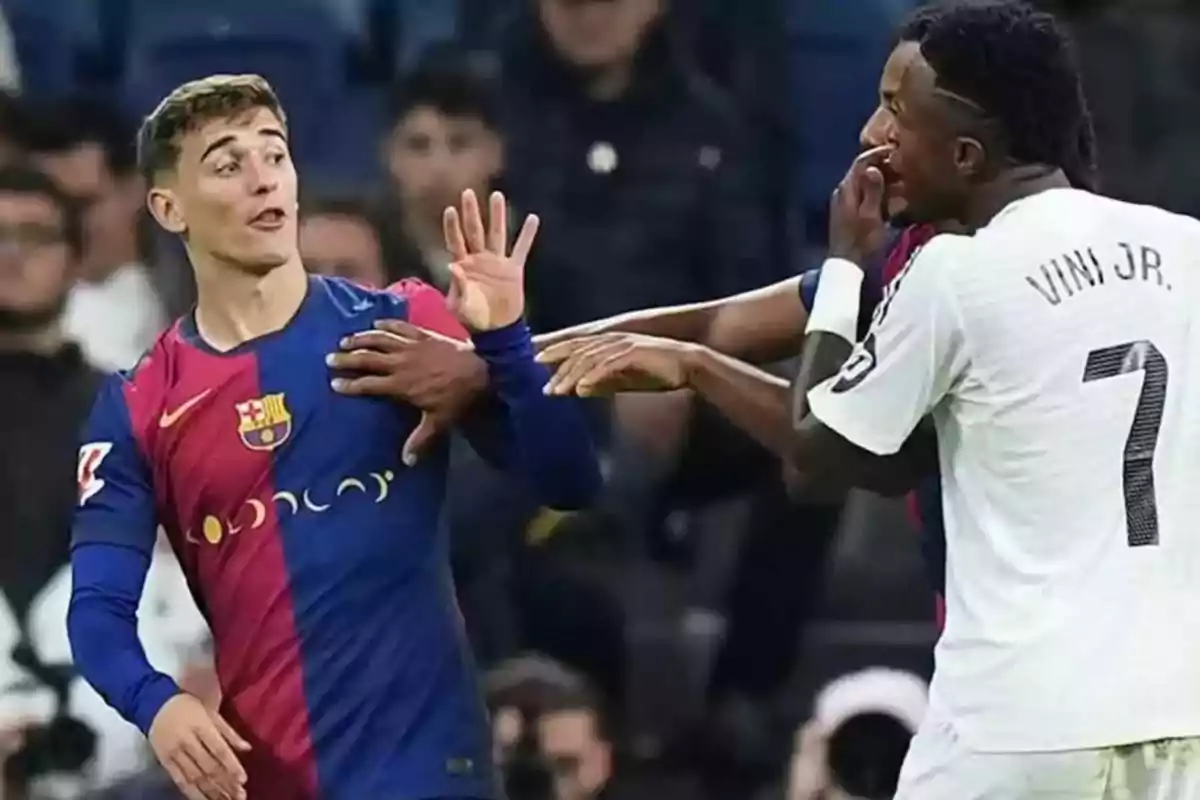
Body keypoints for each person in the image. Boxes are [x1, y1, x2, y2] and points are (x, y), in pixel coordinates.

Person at [544, 1, 1200, 797]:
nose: (868, 137)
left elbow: (818, 463)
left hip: (1018, 718)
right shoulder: (1184, 249)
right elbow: (896, 460)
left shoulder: (952, 272)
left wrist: (830, 278)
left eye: (894, 111)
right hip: (1176, 714)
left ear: (965, 154)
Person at [67, 74, 601, 800]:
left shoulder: (403, 323)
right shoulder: (138, 402)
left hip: (433, 773)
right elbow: (97, 613)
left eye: (274, 155)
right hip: (271, 781)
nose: (263, 180)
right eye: (229, 165)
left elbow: (570, 483)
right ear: (168, 207)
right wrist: (157, 705)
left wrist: (503, 343)